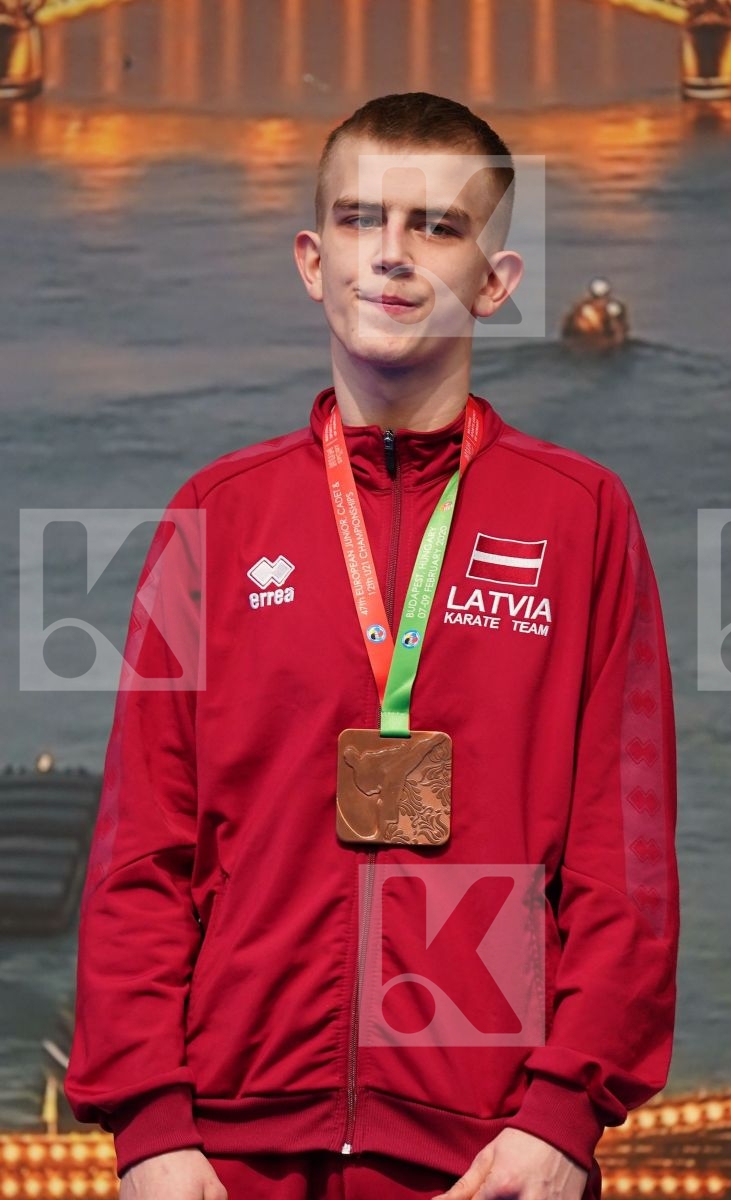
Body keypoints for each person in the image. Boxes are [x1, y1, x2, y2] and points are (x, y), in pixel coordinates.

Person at [64, 92, 680, 1200]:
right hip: (228, 1146)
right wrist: (151, 1124)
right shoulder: (215, 516)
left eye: (438, 227)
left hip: (491, 1153)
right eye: (359, 220)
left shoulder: (582, 518)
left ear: (498, 280)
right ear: (312, 258)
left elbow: (622, 861)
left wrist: (562, 1115)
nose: (391, 257)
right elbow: (140, 852)